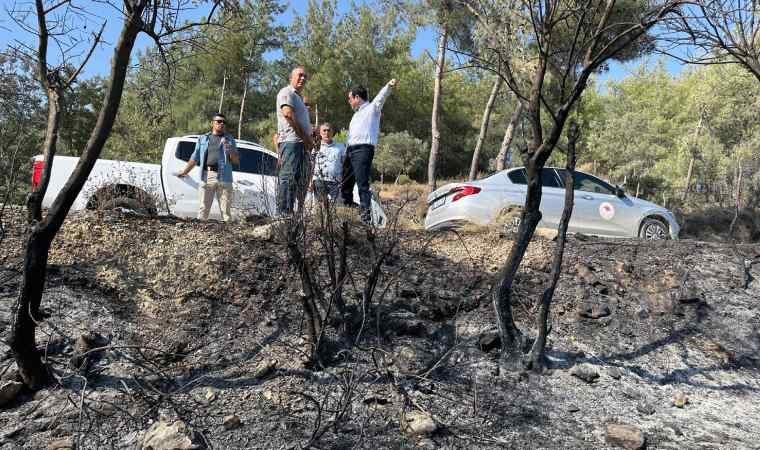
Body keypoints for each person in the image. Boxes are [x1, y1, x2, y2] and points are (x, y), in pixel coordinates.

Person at [341, 79, 397, 223]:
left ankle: (366, 216)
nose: (348, 101)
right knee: (346, 183)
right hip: (350, 150)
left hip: (363, 150)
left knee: (362, 183)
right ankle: (348, 211)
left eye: (349, 98)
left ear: (357, 97)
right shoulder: (355, 115)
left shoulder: (373, 109)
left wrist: (388, 86)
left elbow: (380, 98)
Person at [175, 113, 240, 222]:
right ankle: (200, 235)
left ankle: (228, 237)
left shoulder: (229, 139)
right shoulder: (203, 139)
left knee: (226, 212)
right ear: (212, 123)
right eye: (219, 121)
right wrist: (185, 171)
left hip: (225, 177)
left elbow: (236, 161)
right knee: (203, 210)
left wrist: (230, 150)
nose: (222, 124)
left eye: (224, 122)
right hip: (207, 176)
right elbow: (195, 158)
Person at [276, 66, 314, 216]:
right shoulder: (286, 92)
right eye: (300, 75)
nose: (303, 78)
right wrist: (305, 138)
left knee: (300, 181)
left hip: (301, 145)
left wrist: (309, 138)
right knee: (288, 178)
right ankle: (283, 215)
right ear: (291, 77)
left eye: (305, 76)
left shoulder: (298, 97)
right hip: (292, 142)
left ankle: (292, 215)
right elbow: (288, 115)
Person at [311, 122, 345, 201]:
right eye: (324, 130)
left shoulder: (341, 147)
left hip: (336, 181)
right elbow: (312, 165)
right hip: (319, 180)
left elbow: (345, 165)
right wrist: (310, 182)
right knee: (320, 207)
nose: (327, 133)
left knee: (337, 206)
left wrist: (343, 181)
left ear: (333, 132)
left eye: (329, 130)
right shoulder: (315, 147)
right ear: (320, 133)